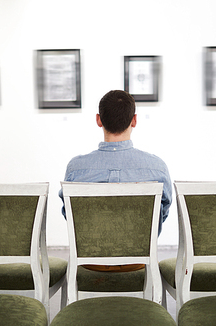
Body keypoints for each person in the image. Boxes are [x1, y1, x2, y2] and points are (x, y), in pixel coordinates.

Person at [59, 90, 172, 272]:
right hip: (138, 259)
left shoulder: (76, 168)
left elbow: (69, 214)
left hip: (90, 260)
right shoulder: (156, 167)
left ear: (98, 120)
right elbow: (162, 213)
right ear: (134, 120)